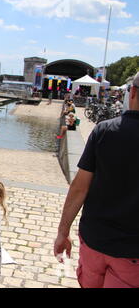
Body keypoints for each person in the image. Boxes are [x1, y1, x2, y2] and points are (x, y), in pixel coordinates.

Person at [54, 72, 139, 288]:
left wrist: (63, 233)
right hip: (131, 253)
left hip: (94, 240)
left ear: (133, 92)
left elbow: (79, 188)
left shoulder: (104, 130)